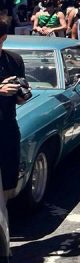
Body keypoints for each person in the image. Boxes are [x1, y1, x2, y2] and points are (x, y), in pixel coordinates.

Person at [0, 19, 31, 200]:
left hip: (7, 126)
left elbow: (20, 98)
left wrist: (20, 95)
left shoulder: (14, 60)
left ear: (3, 38)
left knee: (9, 178)